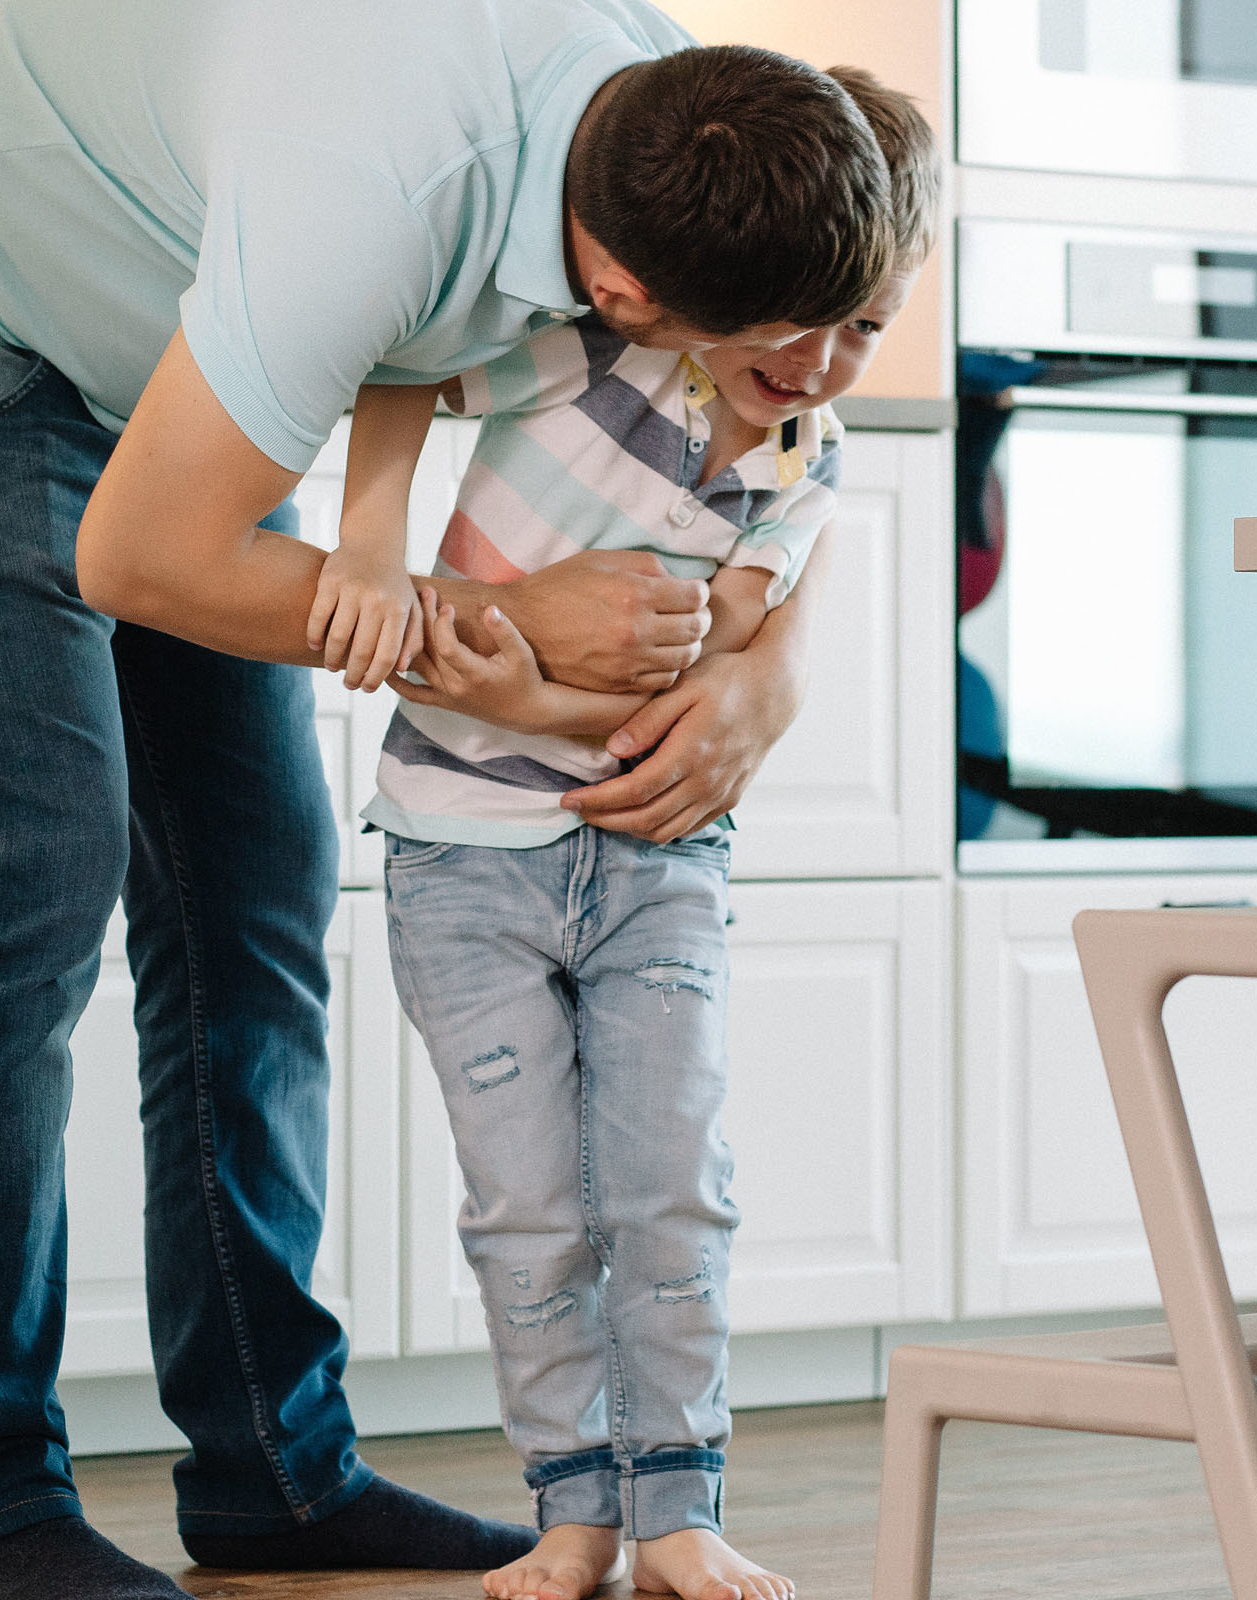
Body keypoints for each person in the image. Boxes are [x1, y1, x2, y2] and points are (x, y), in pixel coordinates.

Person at [0, 1, 894, 1594]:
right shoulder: (359, 202)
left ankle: (272, 1475)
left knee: (257, 890)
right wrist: (514, 625)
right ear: (626, 293)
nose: (787, 376)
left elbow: (796, 433)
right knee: (38, 867)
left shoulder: (687, 116)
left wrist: (772, 678)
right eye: (744, 348)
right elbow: (144, 556)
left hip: (175, 340)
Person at [314, 68, 935, 1600]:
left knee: (673, 1184)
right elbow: (400, 366)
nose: (820, 358)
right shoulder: (587, 354)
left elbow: (698, 683)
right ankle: (571, 1510)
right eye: (799, 314)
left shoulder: (808, 468)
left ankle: (678, 1514)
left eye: (867, 322)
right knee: (526, 1204)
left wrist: (539, 699)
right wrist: (373, 554)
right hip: (460, 854)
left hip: (657, 861)